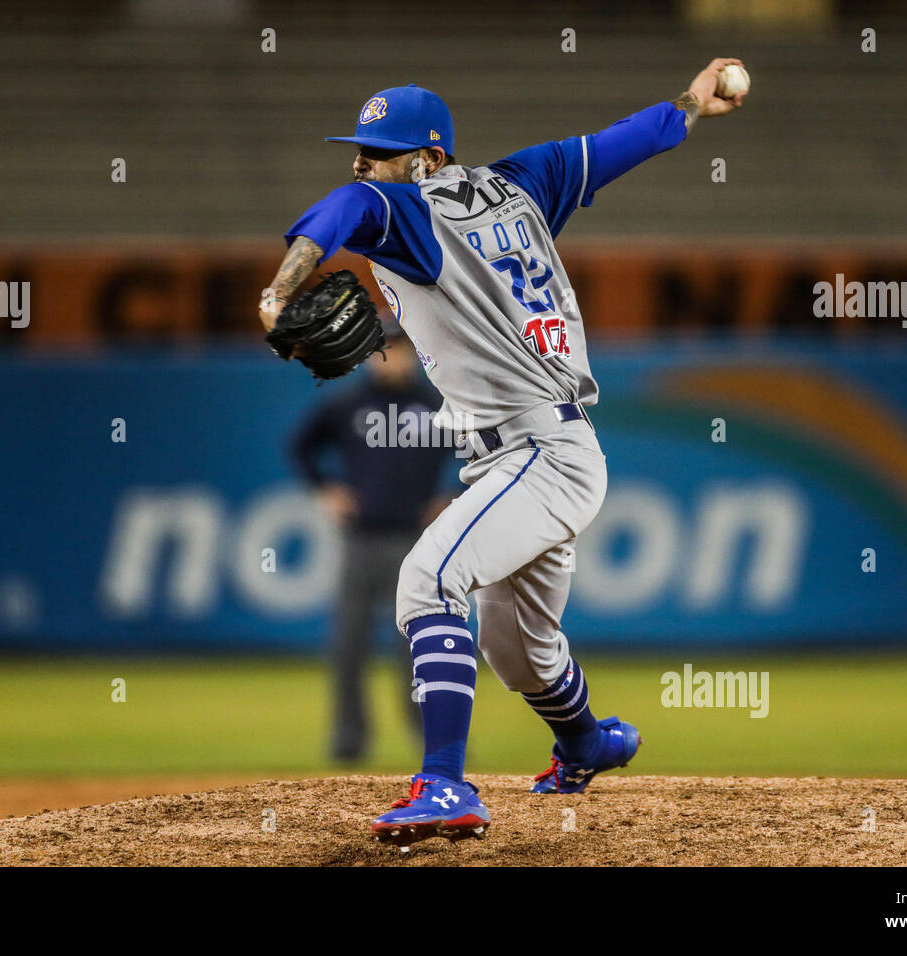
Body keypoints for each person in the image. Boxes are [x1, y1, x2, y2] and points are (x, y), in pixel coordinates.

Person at [259, 61, 747, 848]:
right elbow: (625, 141)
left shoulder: (407, 213)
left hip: (538, 450)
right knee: (518, 651)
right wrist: (694, 103)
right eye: (359, 147)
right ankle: (589, 741)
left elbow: (345, 206)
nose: (362, 163)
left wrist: (283, 287)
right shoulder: (530, 179)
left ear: (431, 160)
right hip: (541, 451)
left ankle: (445, 784)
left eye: (380, 151)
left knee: (427, 578)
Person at [290, 325, 460, 762]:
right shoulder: (348, 404)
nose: (389, 358)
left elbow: (485, 453)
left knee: (419, 649)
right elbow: (300, 446)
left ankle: (434, 742)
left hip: (417, 544)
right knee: (348, 644)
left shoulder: (437, 404)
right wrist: (326, 489)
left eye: (398, 349)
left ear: (414, 354)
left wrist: (454, 498)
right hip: (359, 540)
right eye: (381, 349)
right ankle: (349, 741)